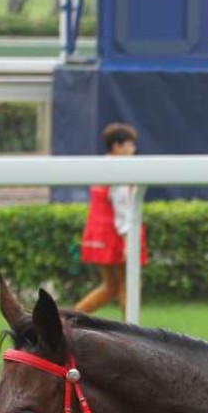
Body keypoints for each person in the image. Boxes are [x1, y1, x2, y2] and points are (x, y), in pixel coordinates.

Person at [75, 122, 147, 314]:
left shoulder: (100, 166)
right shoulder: (119, 171)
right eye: (129, 145)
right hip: (114, 235)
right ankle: (132, 332)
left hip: (98, 233)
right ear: (117, 146)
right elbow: (122, 211)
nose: (133, 149)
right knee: (127, 285)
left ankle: (67, 320)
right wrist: (128, 242)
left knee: (110, 286)